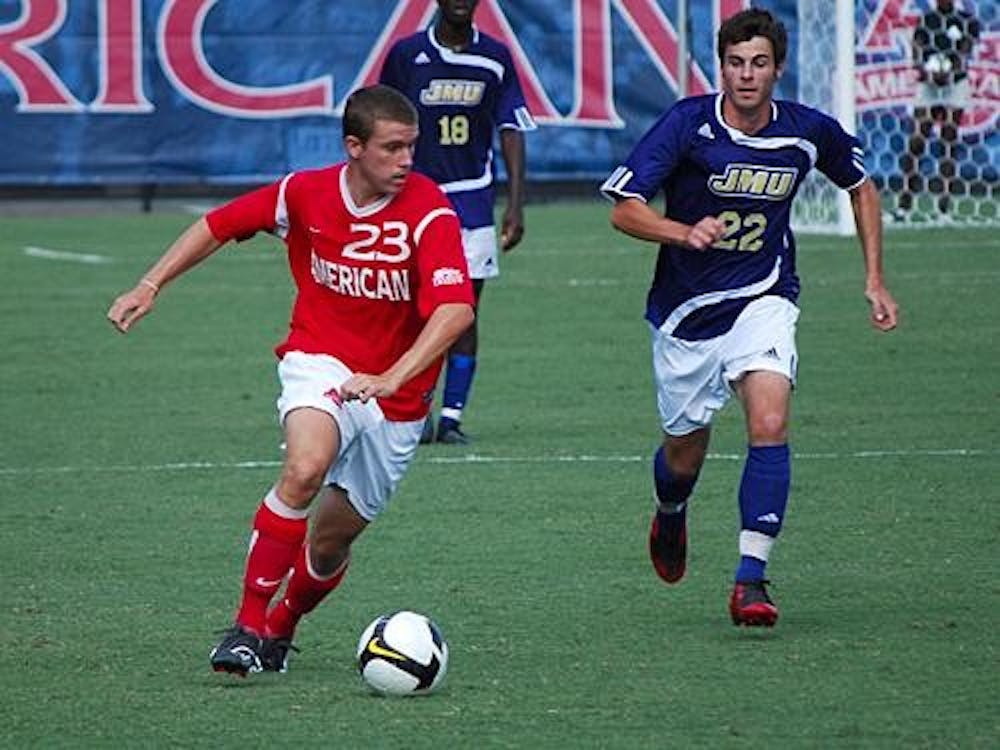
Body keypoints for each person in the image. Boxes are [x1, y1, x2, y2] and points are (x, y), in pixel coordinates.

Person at [106, 84, 475, 674]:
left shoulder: (428, 210)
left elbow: (456, 311)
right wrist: (149, 284)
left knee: (329, 546)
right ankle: (247, 626)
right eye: (392, 148)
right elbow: (218, 224)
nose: (407, 160)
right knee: (304, 468)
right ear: (353, 147)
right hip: (319, 361)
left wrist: (389, 376)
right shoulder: (303, 193)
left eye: (412, 147)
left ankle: (281, 628)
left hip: (398, 398)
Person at [600, 8, 899, 627]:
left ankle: (751, 580)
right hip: (685, 314)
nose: (746, 75)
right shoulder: (688, 123)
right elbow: (624, 209)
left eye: (759, 63)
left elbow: (861, 186)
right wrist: (683, 232)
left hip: (764, 297)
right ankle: (670, 512)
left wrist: (874, 278)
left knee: (769, 419)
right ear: (722, 66)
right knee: (684, 455)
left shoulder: (807, 131)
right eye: (736, 63)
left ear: (777, 69)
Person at [379, 0, 535, 444]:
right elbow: (380, 123)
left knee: (463, 313)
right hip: (413, 204)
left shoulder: (496, 56)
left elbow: (511, 128)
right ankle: (411, 410)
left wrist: (516, 203)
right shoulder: (407, 55)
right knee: (407, 311)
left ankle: (451, 417)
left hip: (472, 204)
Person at [896, 0, 980, 219]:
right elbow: (917, 46)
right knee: (917, 141)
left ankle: (944, 207)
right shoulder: (927, 19)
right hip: (929, 84)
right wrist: (925, 70)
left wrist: (951, 72)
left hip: (955, 84)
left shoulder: (966, 20)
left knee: (949, 140)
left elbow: (966, 50)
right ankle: (904, 205)